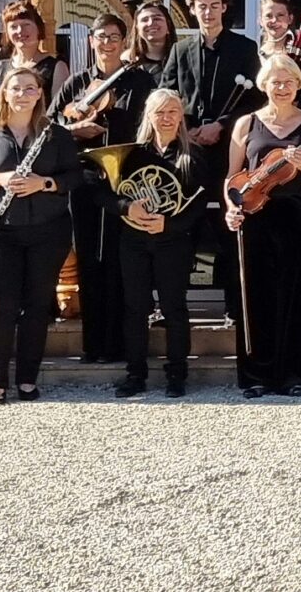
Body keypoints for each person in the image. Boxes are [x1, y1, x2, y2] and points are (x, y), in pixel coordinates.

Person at [0, 64, 82, 404]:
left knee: (37, 305)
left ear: (40, 94)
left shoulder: (56, 135)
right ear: (5, 94)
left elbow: (75, 177)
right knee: (0, 305)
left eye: (30, 88)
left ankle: (27, 379)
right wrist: (0, 179)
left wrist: (44, 183)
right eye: (16, 88)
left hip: (48, 232)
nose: (23, 94)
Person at [223, 53, 301, 397]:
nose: (282, 87)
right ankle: (255, 375)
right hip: (257, 215)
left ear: (298, 85)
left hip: (299, 218)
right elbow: (232, 178)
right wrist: (231, 208)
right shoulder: (246, 124)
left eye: (288, 81)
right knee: (255, 296)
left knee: (295, 297)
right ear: (264, 85)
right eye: (276, 82)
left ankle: (292, 376)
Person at [161, 0, 261, 333]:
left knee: (229, 230)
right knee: (180, 233)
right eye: (201, 6)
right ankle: (172, 309)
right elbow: (166, 96)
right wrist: (184, 129)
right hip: (188, 154)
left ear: (224, 8)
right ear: (192, 10)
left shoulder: (245, 48)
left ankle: (234, 309)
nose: (208, 12)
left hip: (227, 152)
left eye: (214, 5)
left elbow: (255, 101)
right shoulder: (180, 50)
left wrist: (221, 125)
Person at [53, 13, 150, 365]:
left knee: (121, 260)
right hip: (86, 179)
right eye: (101, 36)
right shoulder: (77, 83)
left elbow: (149, 124)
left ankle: (122, 344)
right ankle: (94, 345)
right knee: (89, 258)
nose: (107, 43)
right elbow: (51, 124)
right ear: (90, 41)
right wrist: (74, 130)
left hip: (127, 178)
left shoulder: (140, 80)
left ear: (124, 42)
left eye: (113, 37)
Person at [114, 89, 203, 398]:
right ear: (148, 117)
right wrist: (127, 207)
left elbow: (198, 204)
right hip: (134, 239)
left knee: (174, 308)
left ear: (181, 117)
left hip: (173, 241)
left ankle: (177, 374)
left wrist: (169, 223)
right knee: (134, 308)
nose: (166, 118)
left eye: (172, 112)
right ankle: (135, 374)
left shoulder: (193, 155)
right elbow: (101, 190)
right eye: (159, 112)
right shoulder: (131, 154)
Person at [0, 0, 69, 102]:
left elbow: (59, 107)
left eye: (26, 25)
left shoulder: (57, 67)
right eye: (13, 26)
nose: (20, 31)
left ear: (38, 28)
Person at [254, 0, 301, 70]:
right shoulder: (253, 54)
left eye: (280, 15)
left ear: (290, 19)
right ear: (260, 21)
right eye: (268, 16)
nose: (274, 20)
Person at [130, 0, 177, 75]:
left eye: (157, 19)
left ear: (168, 26)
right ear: (137, 29)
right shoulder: (129, 65)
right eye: (144, 20)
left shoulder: (183, 61)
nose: (151, 23)